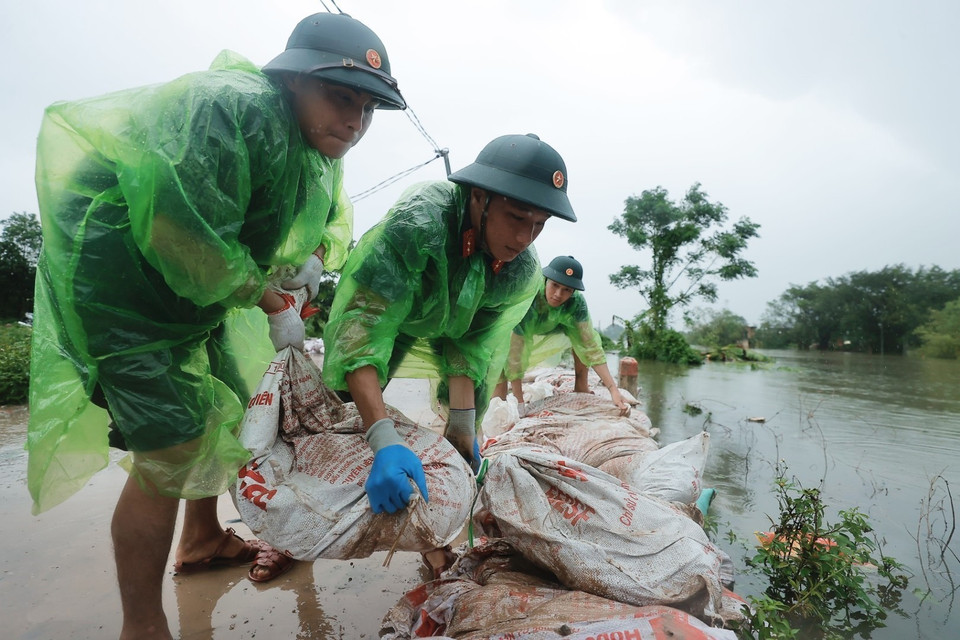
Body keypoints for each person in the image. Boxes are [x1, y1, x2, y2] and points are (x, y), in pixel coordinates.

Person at [27, 12, 405, 640]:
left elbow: (331, 217)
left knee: (229, 406)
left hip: (195, 294)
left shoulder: (317, 153)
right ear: (291, 82)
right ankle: (141, 626)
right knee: (169, 445)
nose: (355, 122)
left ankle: (201, 537)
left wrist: (312, 263)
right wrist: (264, 295)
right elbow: (177, 227)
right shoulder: (228, 109)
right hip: (122, 281)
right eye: (342, 98)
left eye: (368, 110)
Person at [322, 133, 576, 519]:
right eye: (517, 218)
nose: (525, 238)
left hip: (447, 326)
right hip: (391, 314)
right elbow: (363, 330)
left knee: (460, 422)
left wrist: (461, 424)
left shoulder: (520, 270)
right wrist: (384, 438)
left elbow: (472, 346)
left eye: (539, 224)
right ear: (478, 196)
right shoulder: (420, 223)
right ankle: (313, 516)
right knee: (341, 409)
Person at [493, 255, 630, 415]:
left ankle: (581, 385)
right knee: (500, 374)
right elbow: (516, 350)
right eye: (555, 285)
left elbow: (590, 347)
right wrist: (519, 401)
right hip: (515, 330)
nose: (558, 294)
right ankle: (502, 403)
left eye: (567, 290)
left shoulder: (576, 304)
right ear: (546, 280)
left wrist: (613, 390)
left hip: (555, 326)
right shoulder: (530, 296)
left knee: (581, 340)